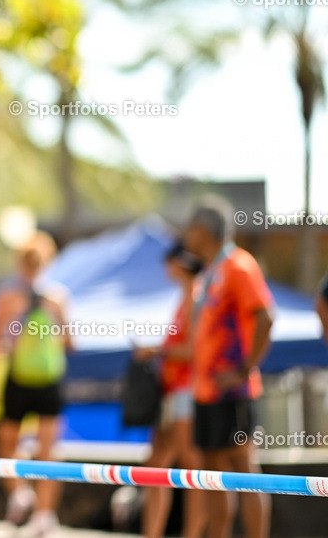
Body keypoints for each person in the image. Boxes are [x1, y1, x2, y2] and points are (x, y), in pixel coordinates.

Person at [182, 196, 274, 538]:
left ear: (204, 230)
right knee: (211, 473)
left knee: (245, 472)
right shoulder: (209, 273)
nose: (185, 236)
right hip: (205, 392)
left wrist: (243, 370)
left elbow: (266, 316)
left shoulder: (238, 265)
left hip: (233, 391)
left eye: (190, 228)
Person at [0, 231, 69, 537]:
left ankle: (19, 491)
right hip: (50, 381)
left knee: (6, 444)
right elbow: (70, 343)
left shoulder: (6, 298)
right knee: (48, 452)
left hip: (18, 380)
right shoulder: (57, 298)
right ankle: (45, 515)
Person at [134, 242, 206, 538]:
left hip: (186, 392)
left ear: (180, 263)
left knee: (190, 467)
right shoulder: (187, 296)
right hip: (175, 391)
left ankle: (190, 533)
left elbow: (193, 350)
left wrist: (155, 351)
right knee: (160, 466)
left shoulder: (196, 296)